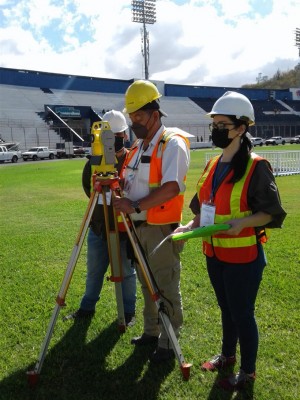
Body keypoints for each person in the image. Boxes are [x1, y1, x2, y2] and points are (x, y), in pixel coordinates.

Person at [176, 91, 286, 390]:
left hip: (244, 258)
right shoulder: (212, 164)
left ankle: (247, 372)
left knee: (242, 313)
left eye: (222, 125)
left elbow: (270, 212)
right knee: (226, 309)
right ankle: (227, 356)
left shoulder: (256, 165)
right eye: (214, 124)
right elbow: (202, 210)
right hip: (215, 253)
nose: (216, 130)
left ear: (241, 128)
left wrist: (243, 223)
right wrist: (186, 227)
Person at [113, 80, 191, 363]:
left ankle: (169, 343)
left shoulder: (172, 143)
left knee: (165, 284)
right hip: (138, 228)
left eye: (139, 117)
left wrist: (133, 204)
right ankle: (151, 331)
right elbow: (131, 180)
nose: (134, 122)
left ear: (155, 113)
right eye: (132, 117)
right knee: (148, 284)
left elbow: (171, 187)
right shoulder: (137, 146)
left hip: (159, 228)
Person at [69, 110, 137, 326]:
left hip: (124, 229)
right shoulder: (93, 163)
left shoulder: (132, 160)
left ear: (124, 136)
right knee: (94, 271)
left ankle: (128, 312)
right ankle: (87, 307)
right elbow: (89, 189)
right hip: (98, 227)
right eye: (108, 137)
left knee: (127, 272)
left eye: (116, 137)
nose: (112, 142)